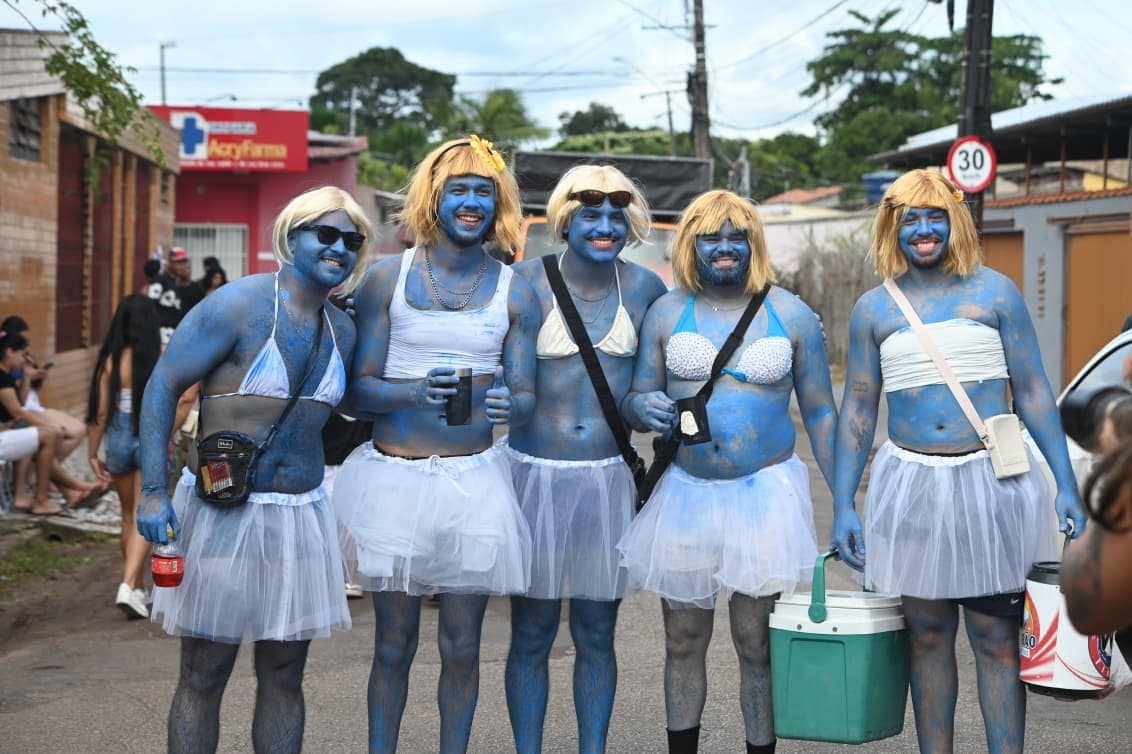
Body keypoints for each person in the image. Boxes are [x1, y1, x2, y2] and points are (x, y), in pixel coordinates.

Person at [831, 169, 1086, 754]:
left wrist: (1066, 485)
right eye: (909, 219)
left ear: (955, 222)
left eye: (934, 217)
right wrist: (844, 502)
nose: (922, 230)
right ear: (892, 228)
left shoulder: (996, 292)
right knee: (925, 636)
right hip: (910, 484)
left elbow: (1036, 390)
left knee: (996, 637)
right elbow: (859, 410)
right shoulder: (874, 308)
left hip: (992, 483)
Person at [135, 186, 371, 754]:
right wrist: (151, 491)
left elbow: (363, 405)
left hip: (301, 514)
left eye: (351, 239)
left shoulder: (344, 329)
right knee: (205, 670)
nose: (338, 247)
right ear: (292, 238)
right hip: (222, 512)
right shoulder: (236, 304)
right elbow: (163, 384)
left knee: (286, 675)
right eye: (326, 233)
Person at [331, 135, 538, 753]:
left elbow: (525, 392)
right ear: (434, 199)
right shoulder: (385, 281)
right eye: (459, 191)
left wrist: (511, 404)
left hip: (474, 483)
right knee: (393, 644)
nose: (471, 203)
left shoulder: (515, 289)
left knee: (463, 646)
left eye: (484, 192)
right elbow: (356, 394)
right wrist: (413, 393)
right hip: (393, 480)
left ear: (497, 204)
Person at [618, 189, 837, 754]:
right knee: (683, 639)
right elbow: (637, 395)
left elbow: (820, 413)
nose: (724, 248)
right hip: (686, 493)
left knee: (756, 640)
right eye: (711, 237)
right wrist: (643, 407)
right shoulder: (667, 311)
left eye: (736, 237)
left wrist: (849, 505)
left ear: (752, 243)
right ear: (691, 243)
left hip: (765, 493)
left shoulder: (791, 313)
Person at [505, 165, 667, 753]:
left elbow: (637, 392)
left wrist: (646, 406)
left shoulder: (647, 289)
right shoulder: (522, 282)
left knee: (598, 633)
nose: (604, 227)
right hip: (531, 476)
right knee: (532, 633)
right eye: (589, 215)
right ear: (564, 220)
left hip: (607, 479)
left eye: (615, 217)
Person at [85, 294, 164, 619]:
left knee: (128, 515)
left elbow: (101, 413)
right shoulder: (157, 358)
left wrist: (92, 452)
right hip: (148, 439)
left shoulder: (110, 361)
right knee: (146, 514)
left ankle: (136, 588)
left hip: (117, 438)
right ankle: (129, 583)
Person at [0, 330, 106, 514]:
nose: (24, 359)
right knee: (47, 436)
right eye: (22, 354)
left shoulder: (8, 377)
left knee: (40, 437)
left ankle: (72, 492)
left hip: (7, 433)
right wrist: (47, 426)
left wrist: (25, 378)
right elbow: (17, 412)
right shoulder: (2, 378)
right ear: (9, 351)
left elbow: (21, 406)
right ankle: (45, 499)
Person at [168, 246, 205, 315]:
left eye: (184, 262)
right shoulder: (170, 285)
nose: (183, 267)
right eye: (179, 263)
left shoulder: (197, 288)